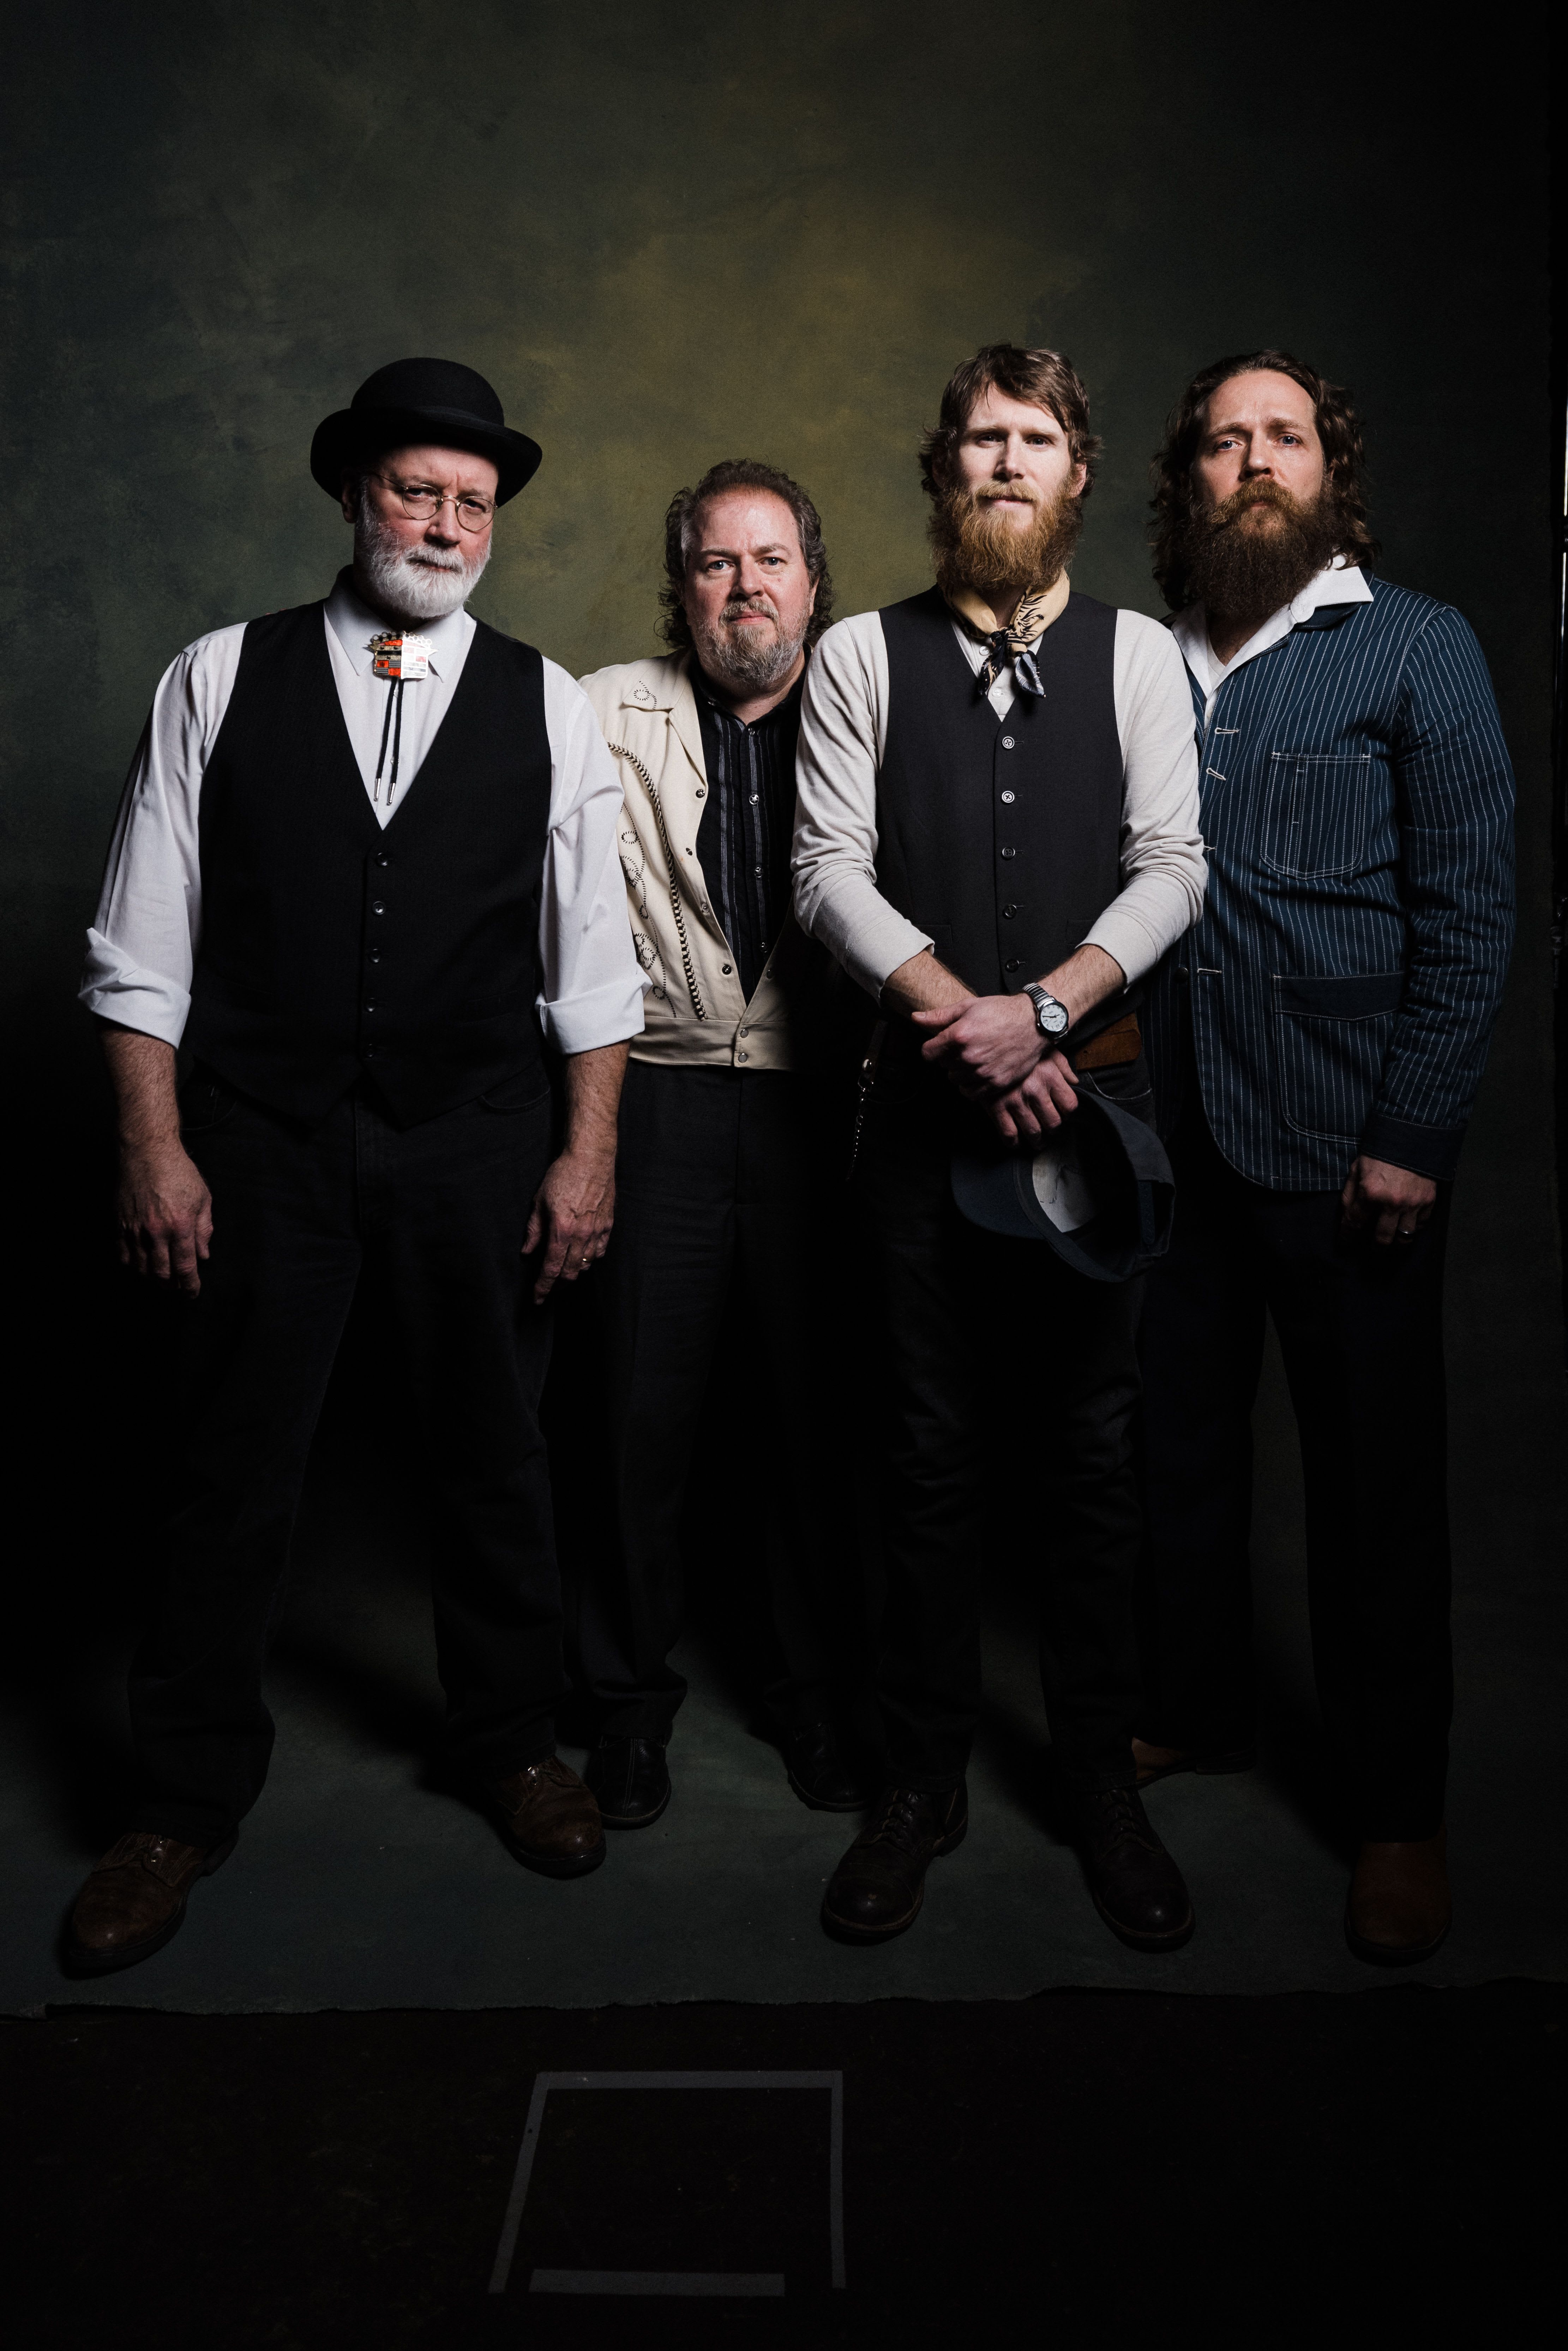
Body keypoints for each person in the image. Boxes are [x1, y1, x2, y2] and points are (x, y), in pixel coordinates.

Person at [67, 358, 646, 1975]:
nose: (446, 524)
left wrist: (586, 1157)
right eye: (416, 491)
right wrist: (154, 1145)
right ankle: (179, 1801)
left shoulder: (547, 703)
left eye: (473, 502)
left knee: (494, 1452)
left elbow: (594, 968)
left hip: (475, 1134)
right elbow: (140, 945)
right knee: (228, 1465)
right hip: (261, 1138)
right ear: (351, 495)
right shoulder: (217, 676)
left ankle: (512, 1744)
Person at [793, 344, 1206, 1948]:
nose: (1006, 462)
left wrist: (1042, 1013)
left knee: (1092, 1458)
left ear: (1076, 472)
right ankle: (921, 1782)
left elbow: (1172, 866)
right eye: (980, 437)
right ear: (943, 467)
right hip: (916, 1122)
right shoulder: (859, 654)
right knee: (925, 1454)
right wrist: (964, 1023)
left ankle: (1098, 1777)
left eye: (1035, 439)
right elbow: (827, 872)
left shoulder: (1138, 656)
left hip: (1099, 1116)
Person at [1134, 349, 1516, 1965]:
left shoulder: (1416, 645)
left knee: (1373, 1495)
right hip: (1167, 1149)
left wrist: (1412, 1132)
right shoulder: (1144, 657)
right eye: (1225, 441)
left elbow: (1470, 908)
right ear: (1190, 480)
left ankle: (1394, 1810)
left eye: (1282, 436)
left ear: (1327, 471)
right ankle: (1192, 1704)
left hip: (1347, 1145)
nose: (1253, 462)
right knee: (1175, 1455)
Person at [554, 459, 864, 1832]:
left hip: (821, 1107)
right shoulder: (595, 708)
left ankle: (813, 1696)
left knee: (818, 1418)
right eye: (716, 562)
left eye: (770, 559)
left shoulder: (867, 705)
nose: (745, 586)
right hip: (657, 1098)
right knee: (635, 1416)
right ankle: (624, 1707)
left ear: (813, 582)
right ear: (681, 588)